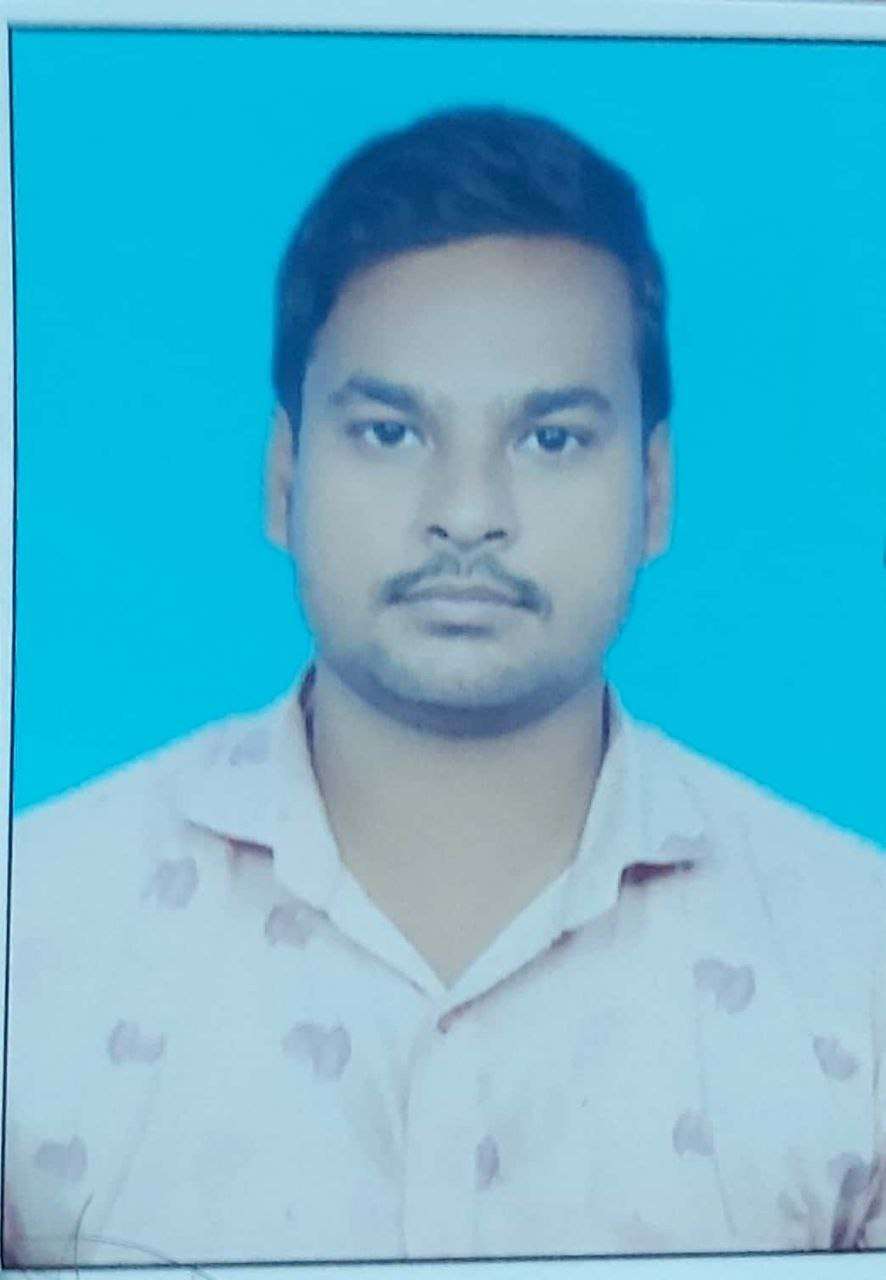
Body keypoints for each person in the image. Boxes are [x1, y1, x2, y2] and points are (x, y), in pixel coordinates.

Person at [4, 106, 884, 1267]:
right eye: (388, 431)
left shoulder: (856, 961)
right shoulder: (35, 932)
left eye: (550, 439)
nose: (466, 512)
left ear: (655, 490)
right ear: (283, 475)